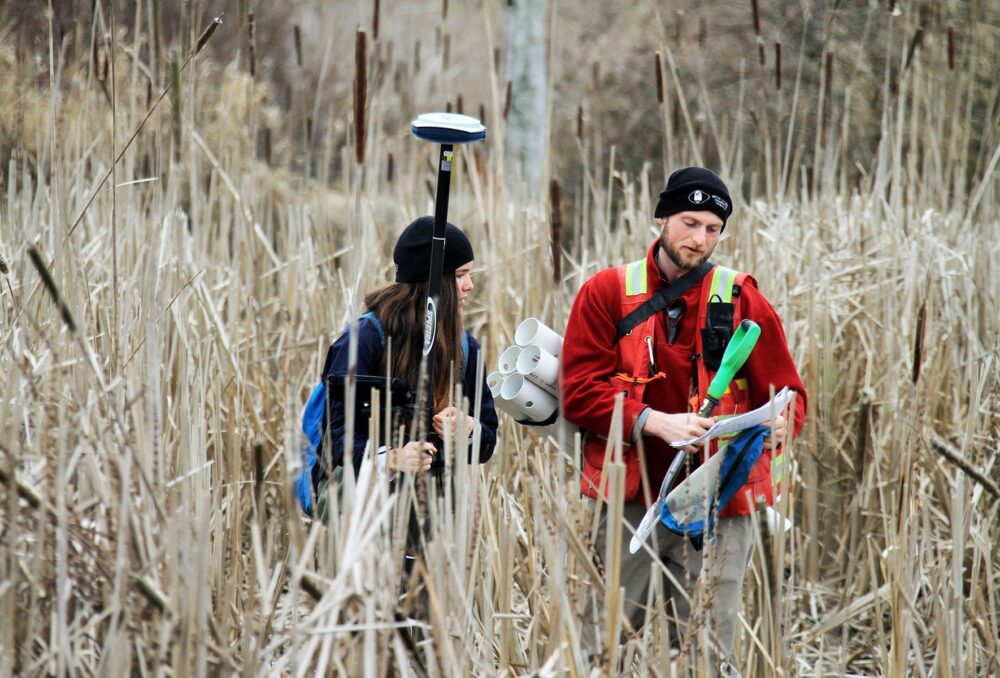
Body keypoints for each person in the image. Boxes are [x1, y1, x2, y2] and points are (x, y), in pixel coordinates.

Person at [561, 167, 807, 674]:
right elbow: (578, 393)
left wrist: (785, 422)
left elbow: (790, 394)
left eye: (712, 229)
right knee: (596, 650)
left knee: (707, 660)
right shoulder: (604, 293)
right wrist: (654, 420)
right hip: (632, 502)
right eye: (689, 223)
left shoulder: (742, 298)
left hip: (718, 507)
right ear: (660, 218)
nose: (700, 239)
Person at [311, 215, 498, 519]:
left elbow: (487, 440)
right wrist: (392, 458)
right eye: (461, 275)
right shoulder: (365, 339)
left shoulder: (465, 346)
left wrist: (468, 428)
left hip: (431, 515)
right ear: (434, 282)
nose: (470, 286)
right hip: (360, 516)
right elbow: (337, 436)